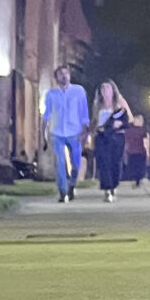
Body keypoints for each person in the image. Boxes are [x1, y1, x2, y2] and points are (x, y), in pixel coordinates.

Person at [41, 65, 89, 202]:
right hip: (57, 132)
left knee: (76, 163)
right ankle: (63, 191)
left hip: (75, 132)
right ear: (56, 78)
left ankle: (72, 185)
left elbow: (84, 111)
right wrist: (44, 134)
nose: (64, 76)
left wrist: (85, 129)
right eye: (60, 74)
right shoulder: (51, 94)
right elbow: (46, 114)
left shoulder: (78, 91)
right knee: (60, 162)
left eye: (66, 73)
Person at [93, 80, 131, 195]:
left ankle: (114, 184)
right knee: (104, 162)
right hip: (102, 137)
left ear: (113, 90)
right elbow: (94, 121)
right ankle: (106, 187)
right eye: (103, 88)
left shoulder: (120, 104)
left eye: (108, 88)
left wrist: (120, 123)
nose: (105, 91)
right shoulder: (97, 105)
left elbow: (129, 120)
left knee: (115, 162)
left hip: (116, 137)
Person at [123, 111, 149, 191]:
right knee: (140, 168)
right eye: (141, 120)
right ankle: (137, 181)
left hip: (130, 152)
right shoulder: (143, 131)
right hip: (140, 152)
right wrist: (148, 152)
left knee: (132, 167)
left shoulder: (128, 130)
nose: (142, 122)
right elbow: (145, 142)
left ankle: (133, 180)